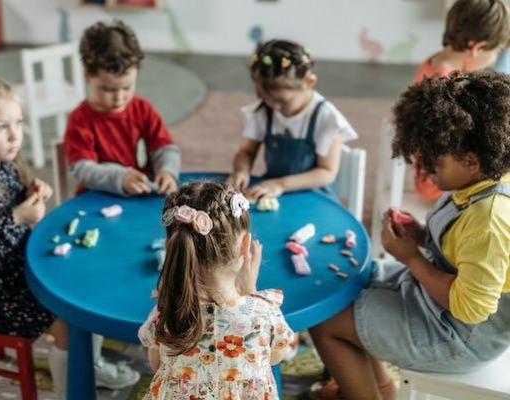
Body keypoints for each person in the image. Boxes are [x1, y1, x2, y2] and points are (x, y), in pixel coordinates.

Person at [0, 76, 139, 399]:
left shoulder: (3, 165)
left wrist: (30, 194)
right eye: (1, 127)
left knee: (84, 292)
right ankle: (69, 390)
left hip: (16, 271)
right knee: (71, 322)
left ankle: (90, 366)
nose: (16, 135)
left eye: (18, 123)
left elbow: (9, 211)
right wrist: (18, 216)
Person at [309, 70, 510, 400]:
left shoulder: (490, 220)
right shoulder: (478, 179)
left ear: (472, 161)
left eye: (434, 163)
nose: (426, 171)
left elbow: (470, 309)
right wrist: (420, 234)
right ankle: (382, 390)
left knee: (326, 323)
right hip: (435, 303)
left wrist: (411, 257)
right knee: (345, 287)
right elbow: (463, 251)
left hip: (461, 337)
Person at [138, 181, 295, 399]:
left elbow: (156, 365)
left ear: (171, 246)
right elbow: (276, 356)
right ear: (244, 246)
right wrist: (250, 291)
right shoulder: (264, 314)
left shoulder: (165, 314)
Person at [228, 39, 357, 202]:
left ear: (309, 82)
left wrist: (281, 184)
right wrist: (241, 171)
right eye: (264, 97)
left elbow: (326, 172)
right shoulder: (264, 110)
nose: (273, 106)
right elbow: (246, 152)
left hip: (313, 195)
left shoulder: (325, 118)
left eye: (282, 101)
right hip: (272, 192)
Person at [65, 20, 180, 197]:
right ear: (88, 75)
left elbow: (164, 148)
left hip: (135, 192)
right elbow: (83, 169)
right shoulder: (79, 119)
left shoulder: (142, 108)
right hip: (94, 197)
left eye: (127, 87)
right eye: (108, 89)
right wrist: (120, 177)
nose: (119, 98)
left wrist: (167, 171)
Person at [412, 0, 510, 202]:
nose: (493, 59)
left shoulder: (435, 62)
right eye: (495, 52)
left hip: (431, 168)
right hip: (441, 183)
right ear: (476, 48)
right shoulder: (447, 85)